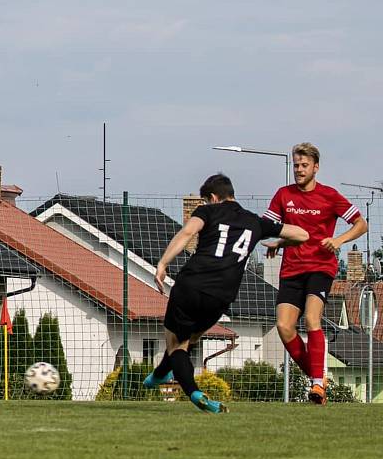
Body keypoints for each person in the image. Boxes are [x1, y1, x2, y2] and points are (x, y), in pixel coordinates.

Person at [144, 173, 309, 412]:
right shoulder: (256, 222)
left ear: (213, 197)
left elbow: (187, 233)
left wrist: (163, 263)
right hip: (221, 296)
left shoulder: (208, 212)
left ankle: (193, 392)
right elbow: (302, 235)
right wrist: (279, 243)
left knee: (175, 344)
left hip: (192, 284)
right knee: (190, 338)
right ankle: (159, 374)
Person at [263, 143, 367, 405]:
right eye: (296, 165)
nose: (299, 169)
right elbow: (268, 225)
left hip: (320, 267)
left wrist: (339, 240)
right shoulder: (283, 194)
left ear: (315, 168)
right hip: (291, 269)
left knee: (311, 319)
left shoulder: (329, 195)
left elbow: (361, 224)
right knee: (284, 327)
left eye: (304, 165)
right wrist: (279, 242)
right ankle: (317, 375)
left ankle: (317, 384)